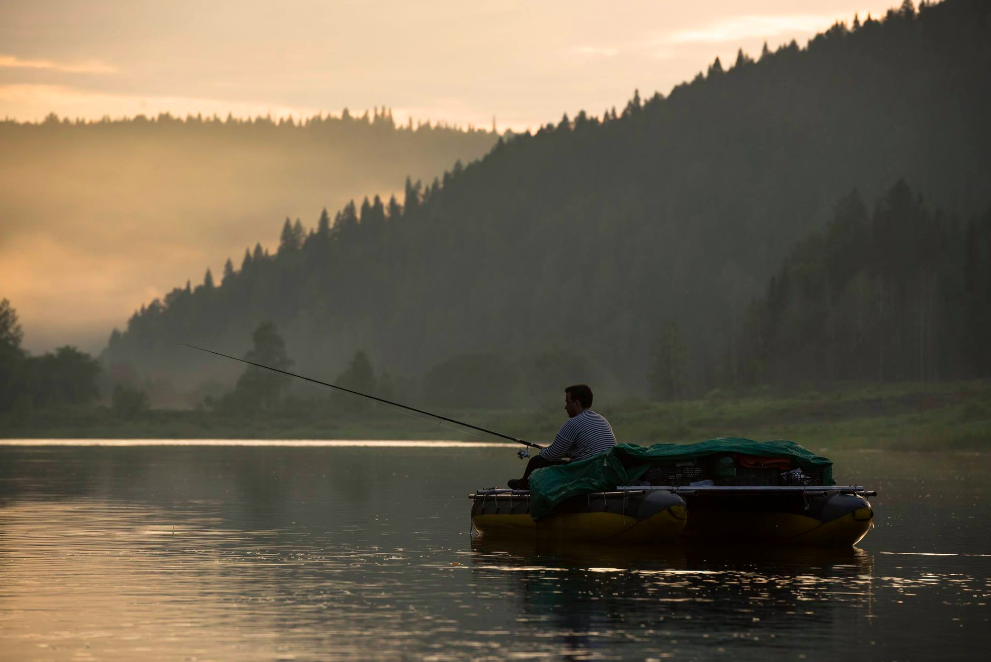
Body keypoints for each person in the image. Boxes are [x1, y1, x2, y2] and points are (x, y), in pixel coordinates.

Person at [508, 384, 617, 490]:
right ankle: (524, 482)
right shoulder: (603, 420)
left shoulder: (573, 423)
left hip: (585, 472)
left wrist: (544, 451)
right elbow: (587, 448)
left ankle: (522, 486)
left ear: (576, 403)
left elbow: (551, 455)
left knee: (536, 461)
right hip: (605, 471)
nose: (565, 407)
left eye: (567, 403)